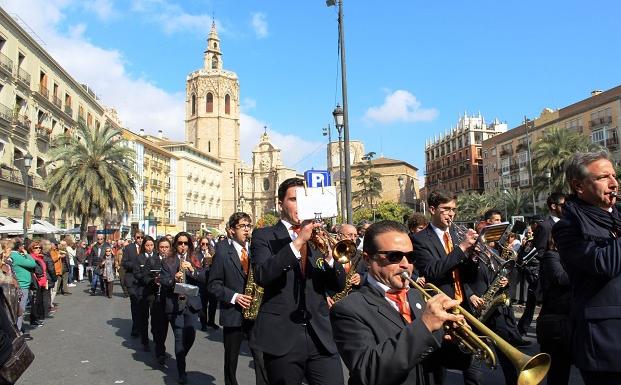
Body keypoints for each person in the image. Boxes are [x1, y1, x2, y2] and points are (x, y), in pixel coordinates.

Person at [331, 220, 462, 385]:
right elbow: (368, 373)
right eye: (395, 256)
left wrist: (460, 343)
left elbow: (448, 362)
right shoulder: (348, 309)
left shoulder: (420, 297)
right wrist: (424, 326)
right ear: (367, 259)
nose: (405, 264)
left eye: (411, 256)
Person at [250, 177, 346, 385]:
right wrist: (299, 240)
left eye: (303, 200)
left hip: (320, 336)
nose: (300, 205)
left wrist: (329, 257)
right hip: (282, 336)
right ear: (280, 204)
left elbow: (337, 285)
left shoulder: (318, 237)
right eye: (294, 199)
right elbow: (262, 275)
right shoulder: (264, 235)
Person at [552, 151, 621, 385]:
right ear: (578, 186)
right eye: (604, 177)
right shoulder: (568, 227)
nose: (614, 183)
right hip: (605, 344)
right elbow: (605, 264)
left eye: (614, 175)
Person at [411, 190, 481, 385]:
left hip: (464, 307)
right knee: (437, 371)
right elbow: (432, 271)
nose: (451, 214)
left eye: (454, 210)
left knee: (474, 371)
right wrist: (462, 249)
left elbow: (468, 276)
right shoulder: (420, 239)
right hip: (440, 309)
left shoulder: (458, 236)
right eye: (446, 209)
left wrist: (473, 258)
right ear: (432, 209)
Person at [208, 212, 268, 385]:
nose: (247, 230)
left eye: (249, 225)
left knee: (260, 357)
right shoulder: (222, 253)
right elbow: (213, 285)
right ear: (231, 230)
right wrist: (234, 297)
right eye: (242, 226)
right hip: (233, 314)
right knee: (231, 360)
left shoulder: (257, 250)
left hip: (256, 313)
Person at [160, 232, 205, 384]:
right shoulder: (168, 261)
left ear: (189, 244)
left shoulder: (195, 258)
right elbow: (164, 281)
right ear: (176, 244)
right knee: (179, 338)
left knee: (190, 335)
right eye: (180, 243)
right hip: (175, 305)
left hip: (191, 304)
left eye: (186, 243)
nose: (183, 246)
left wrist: (193, 270)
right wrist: (174, 279)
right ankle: (181, 372)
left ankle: (181, 356)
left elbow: (204, 277)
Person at [518, 192, 565, 335]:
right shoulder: (545, 226)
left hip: (560, 270)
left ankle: (523, 329)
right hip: (545, 272)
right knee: (539, 304)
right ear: (553, 206)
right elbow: (538, 251)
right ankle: (527, 330)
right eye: (564, 205)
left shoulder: (567, 222)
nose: (567, 208)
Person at [536, 237, 572, 385]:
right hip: (556, 321)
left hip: (570, 317)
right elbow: (561, 278)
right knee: (558, 371)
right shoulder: (551, 255)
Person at [142, 237, 171, 365]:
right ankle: (160, 350)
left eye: (166, 247)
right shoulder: (151, 260)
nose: (164, 250)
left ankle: (160, 347)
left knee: (164, 326)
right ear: (157, 248)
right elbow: (145, 277)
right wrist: (154, 281)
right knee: (157, 326)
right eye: (161, 247)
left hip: (169, 297)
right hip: (155, 297)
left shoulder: (172, 260)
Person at [122, 231, 146, 339]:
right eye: (138, 237)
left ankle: (141, 326)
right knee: (135, 303)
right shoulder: (128, 248)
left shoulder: (147, 247)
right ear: (134, 238)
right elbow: (125, 263)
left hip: (143, 281)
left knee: (142, 305)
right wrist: (137, 265)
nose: (140, 239)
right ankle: (135, 327)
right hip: (131, 280)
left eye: (141, 237)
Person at [9, 239, 35, 332]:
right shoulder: (16, 255)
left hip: (19, 283)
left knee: (17, 308)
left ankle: (17, 328)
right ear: (19, 247)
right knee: (20, 309)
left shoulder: (15, 255)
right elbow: (32, 263)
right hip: (21, 285)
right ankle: (17, 331)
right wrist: (27, 254)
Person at [195, 236, 218, 330]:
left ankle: (211, 322)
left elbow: (217, 267)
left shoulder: (213, 253)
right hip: (202, 282)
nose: (204, 246)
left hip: (212, 282)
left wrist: (211, 260)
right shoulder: (196, 255)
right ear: (200, 244)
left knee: (213, 303)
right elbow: (196, 268)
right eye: (202, 244)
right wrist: (204, 262)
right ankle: (203, 323)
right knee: (203, 304)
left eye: (206, 244)